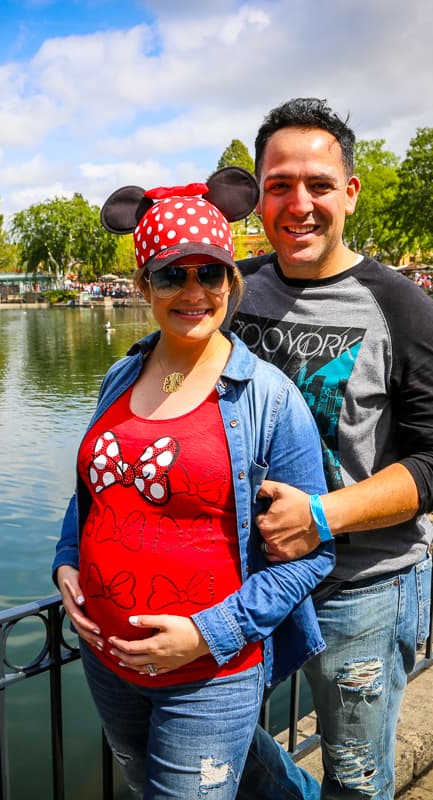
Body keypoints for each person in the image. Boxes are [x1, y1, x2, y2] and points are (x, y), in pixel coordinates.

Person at [52, 166, 336, 799]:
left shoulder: (268, 398)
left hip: (210, 674)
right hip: (108, 662)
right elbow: (91, 494)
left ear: (232, 281)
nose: (192, 291)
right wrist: (66, 561)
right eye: (170, 274)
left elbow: (312, 557)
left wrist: (207, 634)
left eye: (209, 271)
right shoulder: (120, 376)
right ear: (141, 284)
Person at [229, 98, 433, 799]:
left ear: (351, 194)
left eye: (318, 185)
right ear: (257, 195)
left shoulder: (400, 307)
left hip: (361, 588)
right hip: (244, 585)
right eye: (279, 185)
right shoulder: (230, 288)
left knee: (358, 782)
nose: (298, 204)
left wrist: (323, 515)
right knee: (208, 742)